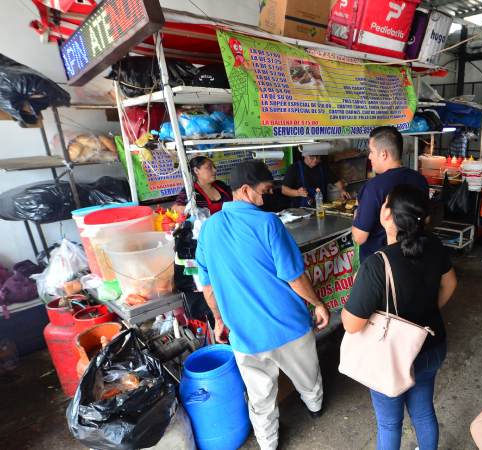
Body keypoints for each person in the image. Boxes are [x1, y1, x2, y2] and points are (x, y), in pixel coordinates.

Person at [195, 160, 331, 450]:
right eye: (265, 191)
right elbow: (294, 277)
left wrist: (219, 320)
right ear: (245, 190)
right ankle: (315, 407)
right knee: (308, 376)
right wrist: (318, 303)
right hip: (289, 327)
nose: (268, 196)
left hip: (245, 334)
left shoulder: (208, 229)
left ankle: (268, 443)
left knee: (259, 395)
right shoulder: (268, 223)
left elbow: (207, 286)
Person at [342, 184, 457, 450]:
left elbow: (351, 324)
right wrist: (428, 310)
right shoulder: (435, 245)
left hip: (391, 356)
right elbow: (450, 284)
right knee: (423, 411)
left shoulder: (376, 264)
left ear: (387, 215)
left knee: (390, 424)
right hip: (432, 345)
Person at [353, 126, 428, 262]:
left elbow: (359, 237)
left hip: (380, 264)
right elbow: (426, 220)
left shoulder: (374, 187)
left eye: (371, 151)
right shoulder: (420, 179)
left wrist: (357, 210)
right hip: (414, 257)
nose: (369, 156)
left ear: (383, 154)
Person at [281, 153, 350, 207]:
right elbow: (284, 190)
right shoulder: (294, 168)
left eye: (317, 157)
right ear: (304, 155)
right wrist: (297, 193)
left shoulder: (322, 167)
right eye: (311, 157)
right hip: (300, 211)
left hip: (321, 208)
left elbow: (336, 181)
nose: (315, 160)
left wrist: (342, 190)